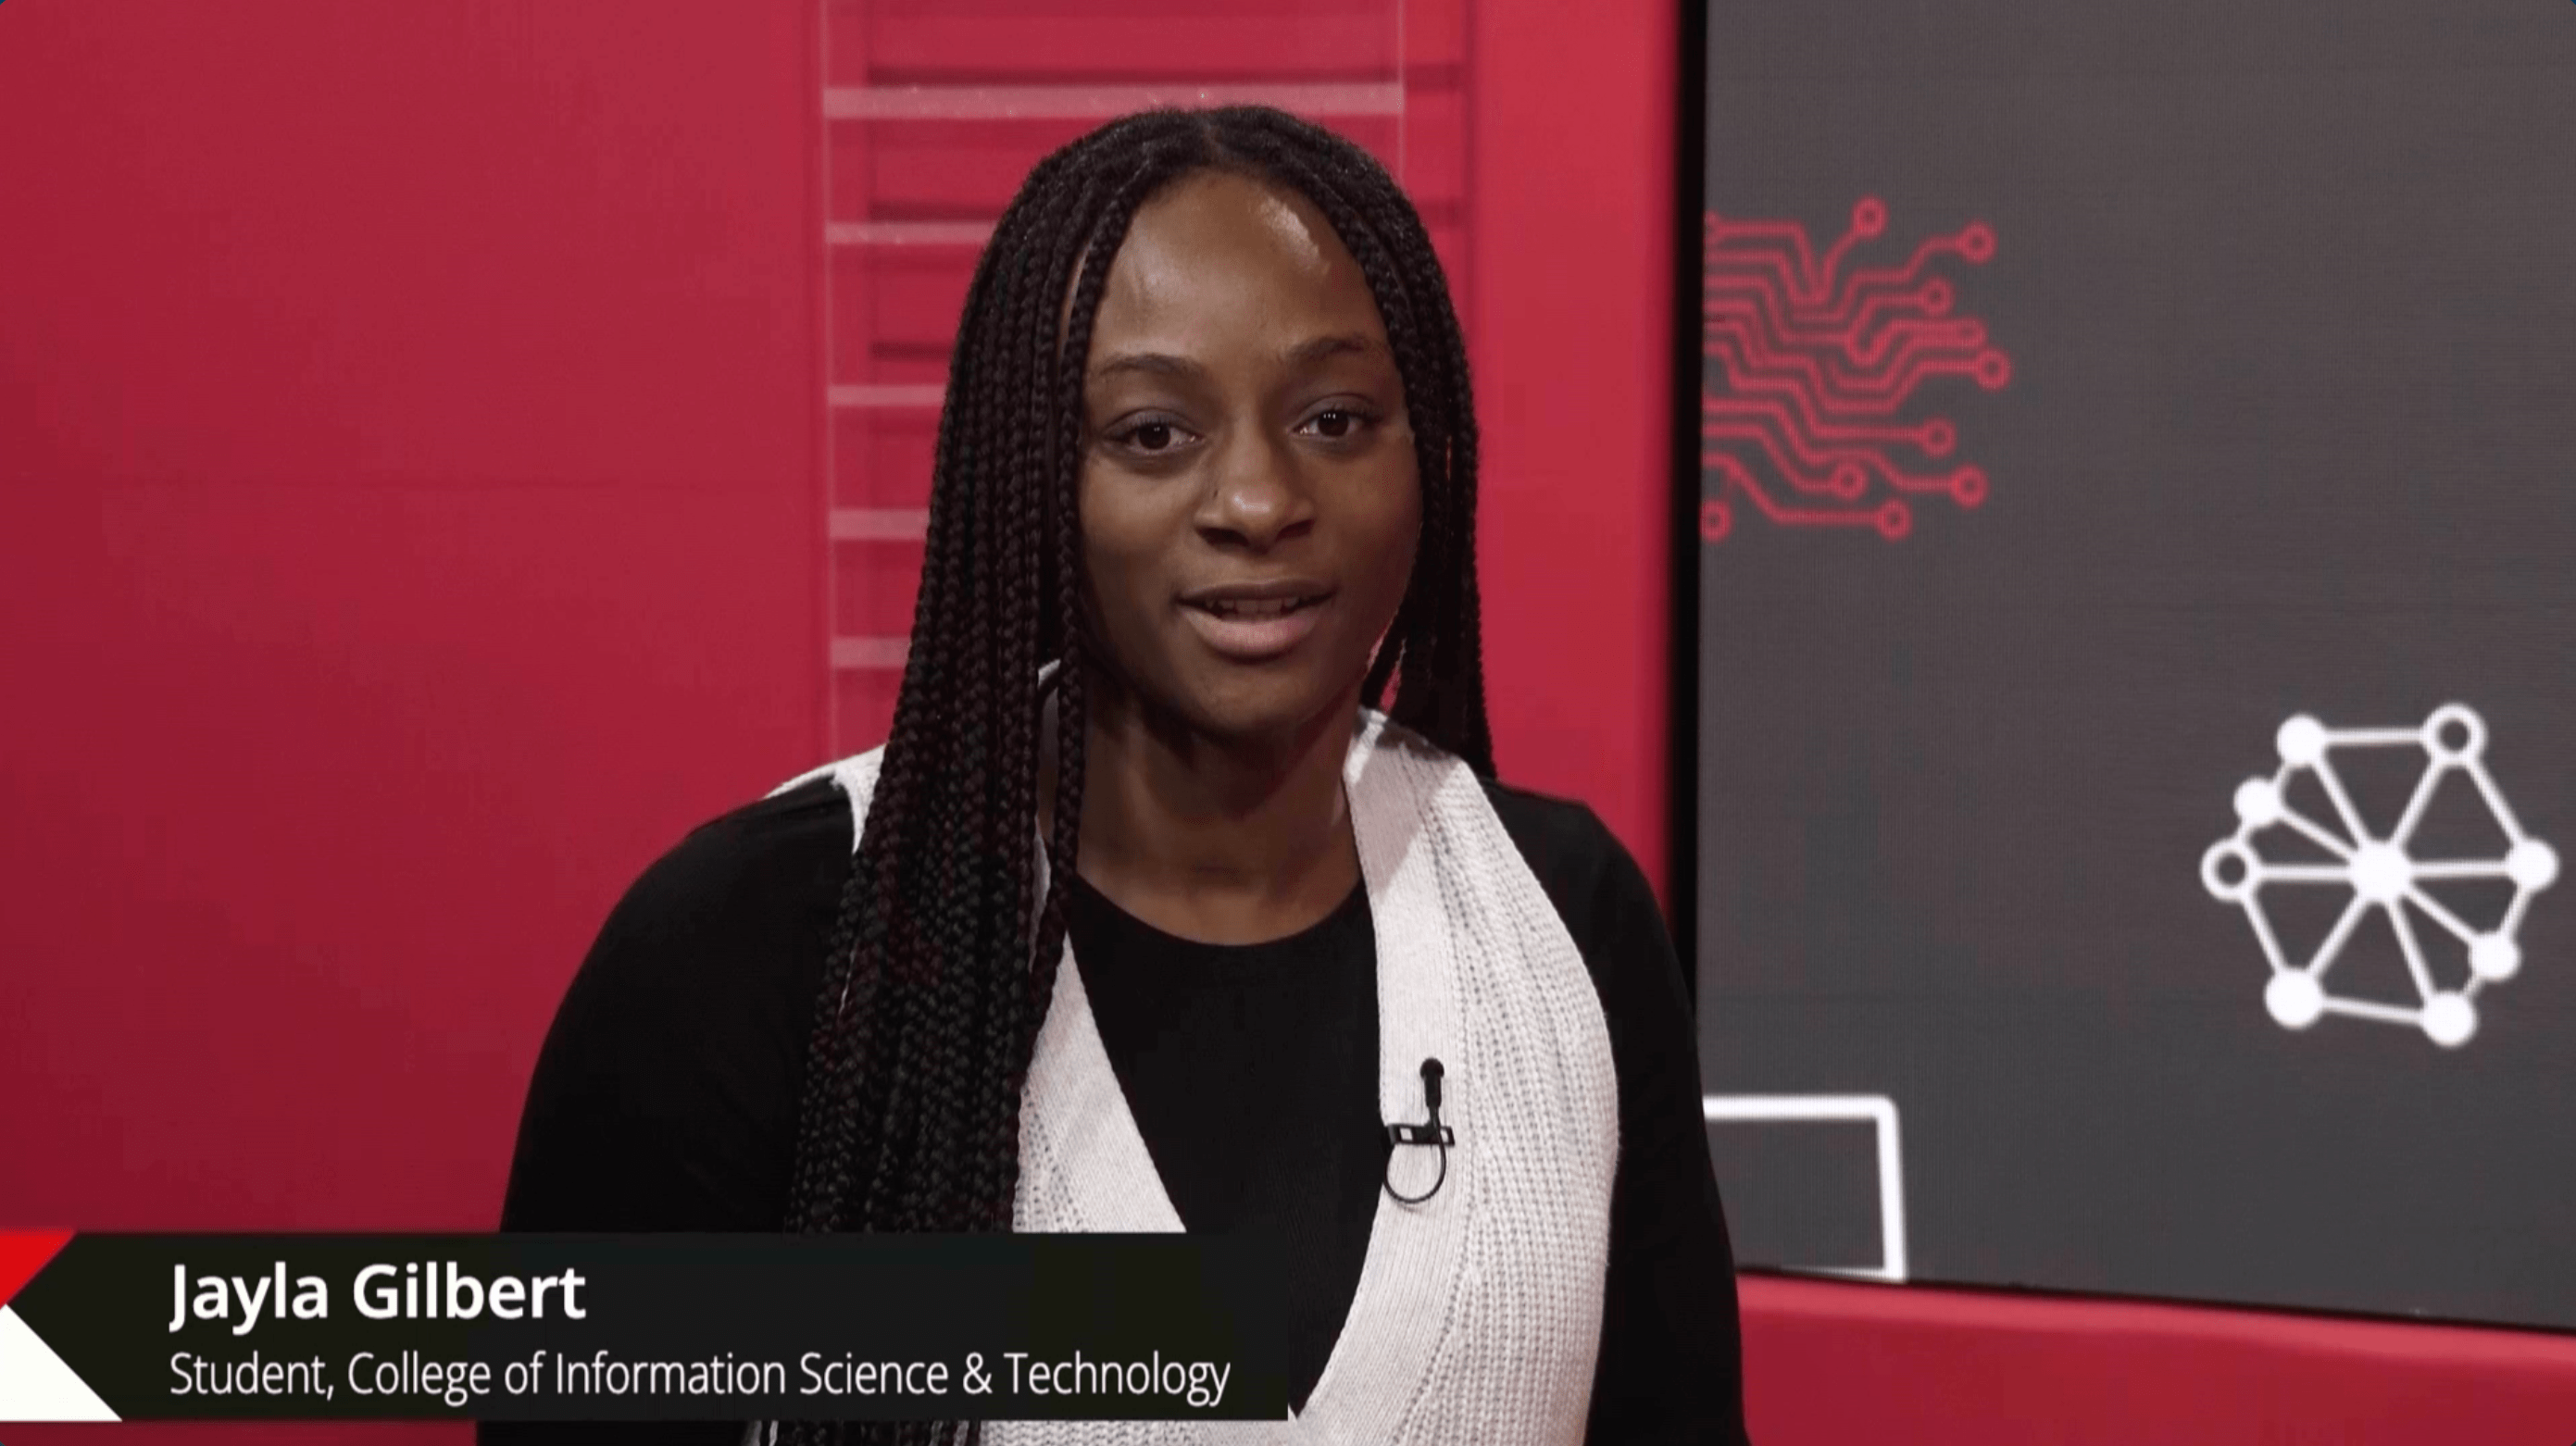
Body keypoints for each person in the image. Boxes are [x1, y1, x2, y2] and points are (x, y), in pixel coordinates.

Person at [489, 106, 1749, 1446]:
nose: (1258, 499)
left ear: (1427, 452)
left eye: (1334, 417)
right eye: (1153, 434)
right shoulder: (756, 953)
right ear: (1031, 475)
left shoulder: (1568, 920)